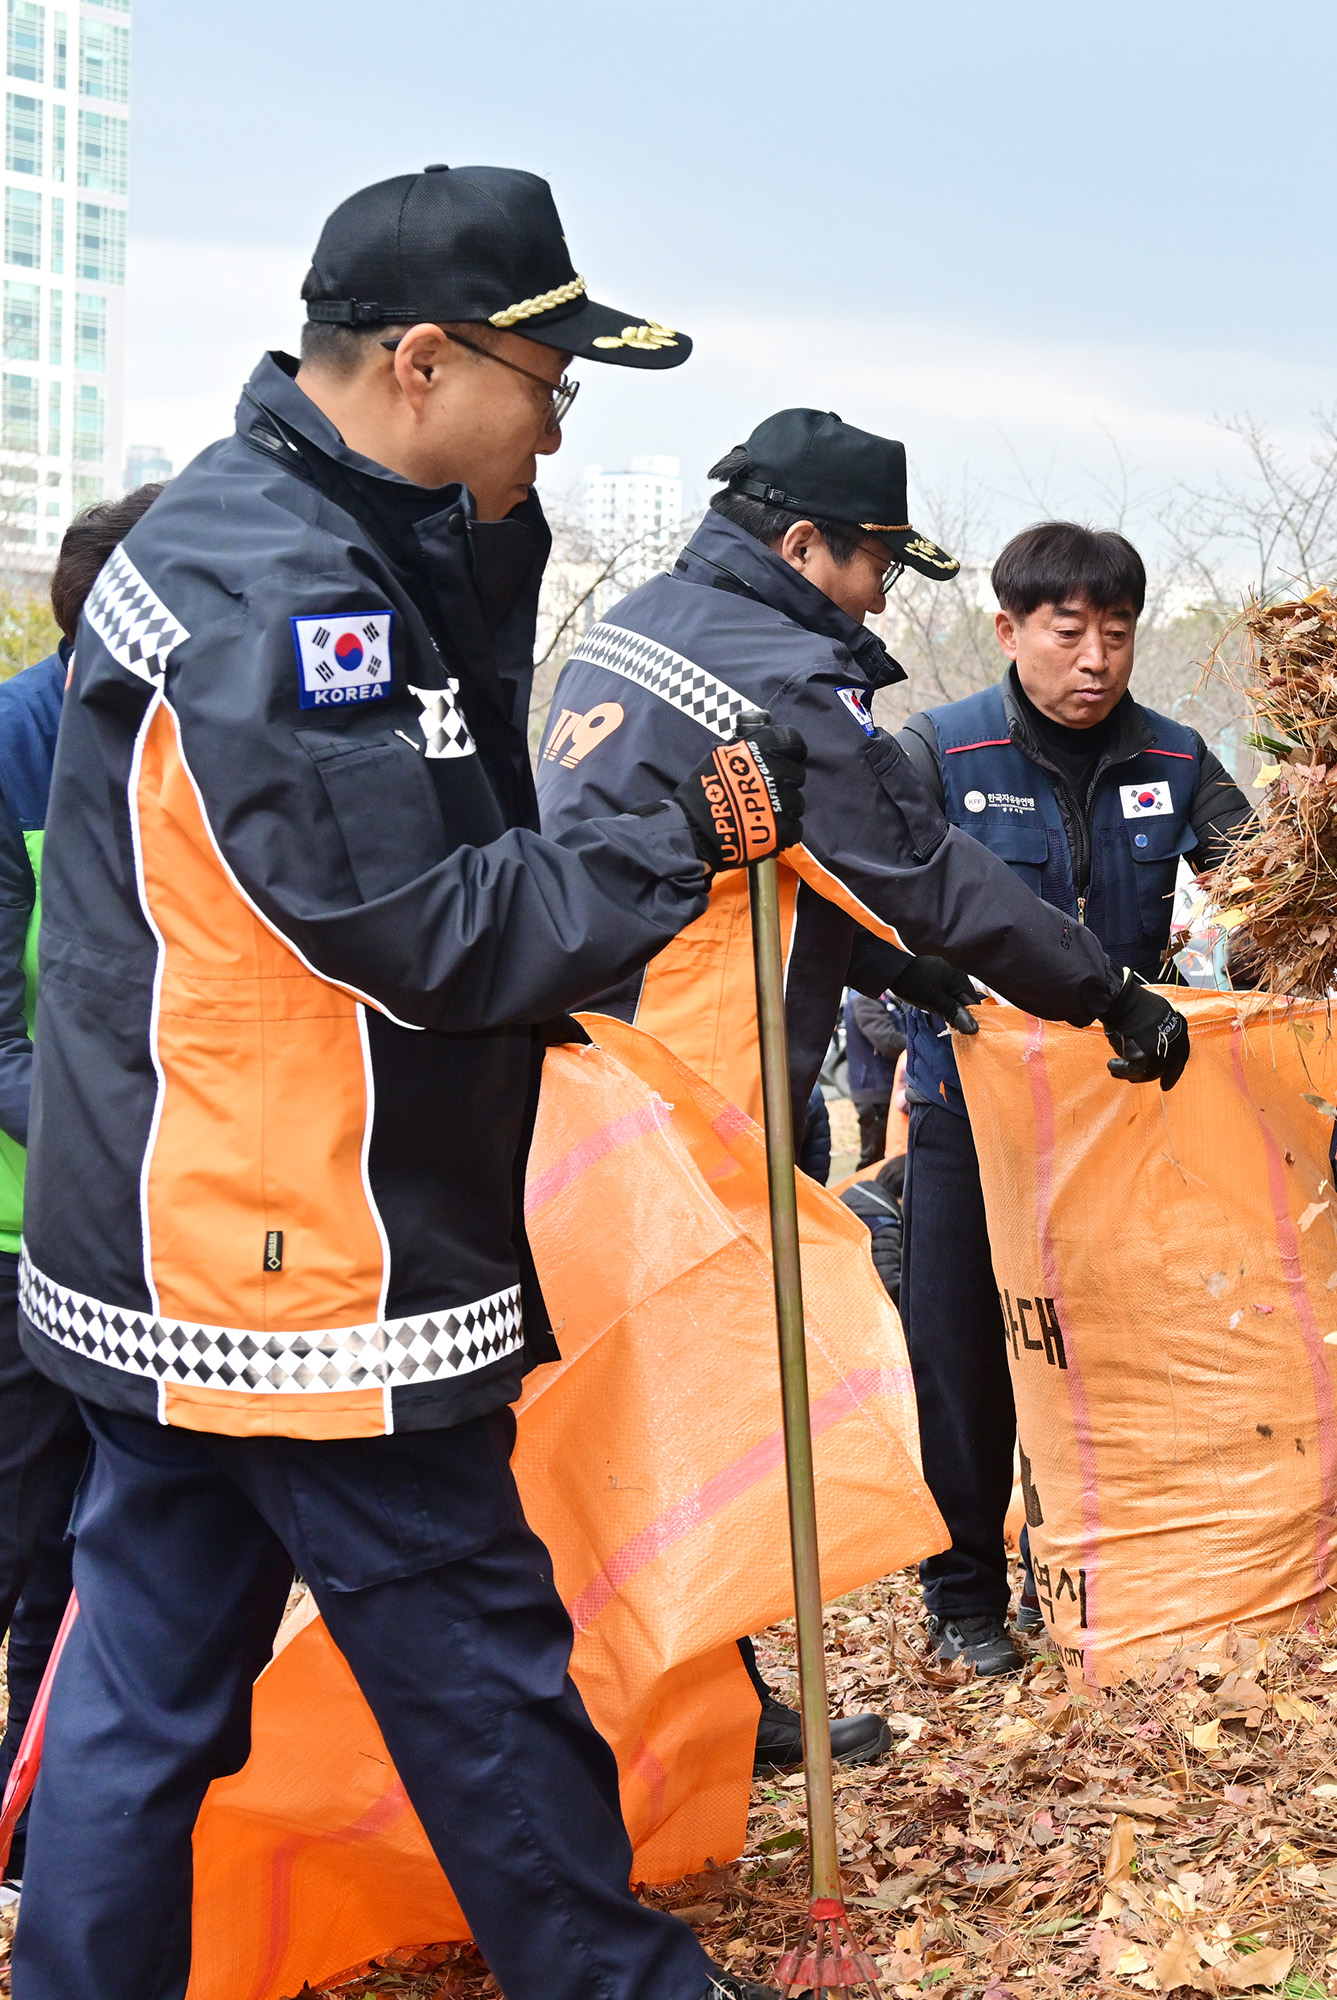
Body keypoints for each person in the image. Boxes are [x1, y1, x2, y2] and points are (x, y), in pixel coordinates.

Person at [15, 165, 803, 2000]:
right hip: (305, 1254)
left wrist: (488, 552)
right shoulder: (294, 592)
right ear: (428, 364)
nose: (557, 421)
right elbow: (427, 919)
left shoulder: (267, 531)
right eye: (550, 382)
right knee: (476, 1673)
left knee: (143, 1697)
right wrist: (669, 838)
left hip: (176, 1238)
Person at [536, 428, 1187, 1756]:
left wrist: (904, 969)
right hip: (678, 1080)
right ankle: (682, 1706)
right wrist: (1105, 993)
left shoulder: (644, 622)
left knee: (645, 1398)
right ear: (800, 549)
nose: (886, 593)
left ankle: (708, 1689)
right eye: (876, 561)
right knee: (687, 1399)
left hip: (581, 1065)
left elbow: (777, 854)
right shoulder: (770, 668)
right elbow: (914, 861)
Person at [889, 520, 1253, 1673]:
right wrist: (919, 968)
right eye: (1068, 629)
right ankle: (963, 1596)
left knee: (1117, 1347)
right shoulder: (940, 753)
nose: (1095, 656)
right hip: (970, 1111)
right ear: (1010, 630)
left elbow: (1267, 882)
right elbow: (873, 896)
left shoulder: (1179, 758)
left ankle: (1115, 1568)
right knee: (961, 1353)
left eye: (1117, 630)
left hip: (1120, 1114)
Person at [0, 482, 158, 1887]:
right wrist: (99, 1155)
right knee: (24, 1536)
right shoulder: (13, 746)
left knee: (100, 1560)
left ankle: (49, 1832)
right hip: (29, 1224)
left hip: (163, 1231)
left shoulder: (189, 738)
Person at [844, 985, 906, 1171]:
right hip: (875, 1089)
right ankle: (863, 1198)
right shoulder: (864, 997)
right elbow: (887, 1041)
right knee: (874, 1157)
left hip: (885, 1086)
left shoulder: (881, 996)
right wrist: (919, 1043)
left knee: (885, 1155)